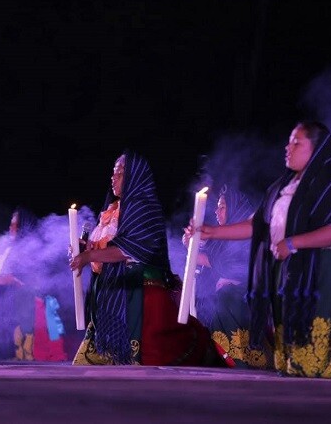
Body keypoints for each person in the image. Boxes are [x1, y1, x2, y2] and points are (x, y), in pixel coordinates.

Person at [200, 121, 331, 378]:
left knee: (313, 362)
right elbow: (256, 224)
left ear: (316, 150)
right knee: (290, 364)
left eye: (297, 143)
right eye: (289, 141)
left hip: (319, 273)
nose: (288, 148)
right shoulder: (280, 188)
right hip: (286, 274)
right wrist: (212, 231)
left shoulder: (327, 184)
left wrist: (294, 243)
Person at [69, 150, 230, 366]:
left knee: (152, 358)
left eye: (120, 173)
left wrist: (90, 255)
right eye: (113, 173)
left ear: (134, 175)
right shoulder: (112, 210)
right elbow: (108, 248)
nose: (113, 178)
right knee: (89, 365)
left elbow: (129, 249)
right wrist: (86, 249)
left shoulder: (144, 208)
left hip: (143, 295)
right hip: (112, 296)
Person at [182, 185, 270, 368]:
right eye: (217, 207)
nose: (216, 211)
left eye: (222, 207)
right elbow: (206, 259)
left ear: (235, 208)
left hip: (246, 294)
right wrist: (192, 244)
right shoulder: (219, 239)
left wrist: (197, 255)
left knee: (225, 298)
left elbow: (233, 266)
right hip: (219, 294)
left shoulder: (247, 237)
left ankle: (244, 361)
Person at [0, 207, 69, 361]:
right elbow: (3, 276)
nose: (11, 228)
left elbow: (15, 278)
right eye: (11, 224)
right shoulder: (9, 249)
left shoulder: (28, 250)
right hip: (4, 305)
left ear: (23, 227)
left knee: (16, 350)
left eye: (15, 224)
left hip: (19, 308)